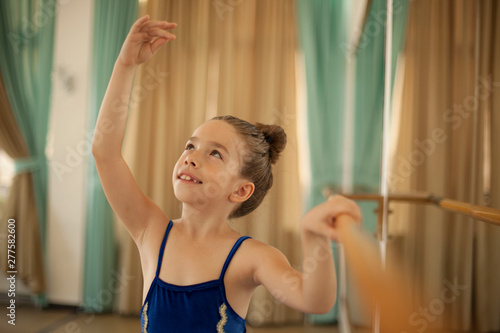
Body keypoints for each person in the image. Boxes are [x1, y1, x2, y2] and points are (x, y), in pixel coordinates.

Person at [92, 15, 362, 333]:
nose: (191, 158)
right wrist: (125, 65)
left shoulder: (250, 257)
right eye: (190, 146)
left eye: (215, 154)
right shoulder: (151, 231)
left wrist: (313, 236)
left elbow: (314, 302)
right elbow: (105, 154)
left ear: (240, 190)